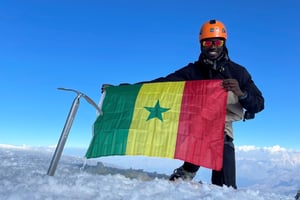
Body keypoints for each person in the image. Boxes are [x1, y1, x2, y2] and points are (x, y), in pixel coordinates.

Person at [102, 19, 264, 189]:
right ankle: (188, 170)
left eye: (217, 42)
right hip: (196, 125)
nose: (213, 46)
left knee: (225, 180)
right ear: (201, 44)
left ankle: (199, 175)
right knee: (209, 138)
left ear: (224, 42)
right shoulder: (192, 71)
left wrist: (242, 93)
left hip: (222, 125)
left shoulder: (238, 72)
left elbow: (259, 104)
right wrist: (125, 90)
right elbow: (163, 84)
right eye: (208, 42)